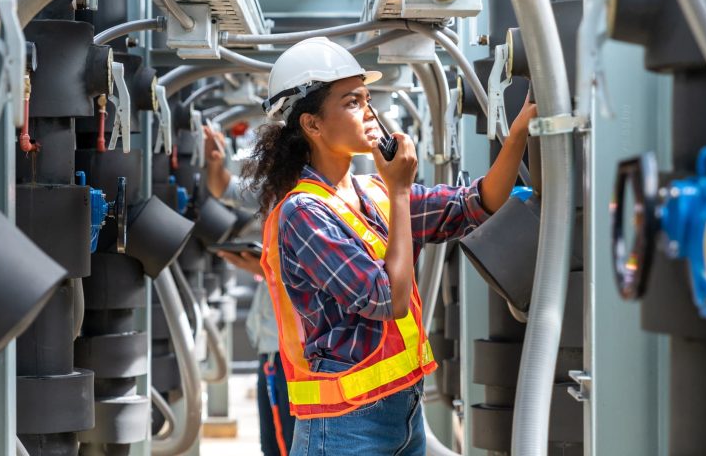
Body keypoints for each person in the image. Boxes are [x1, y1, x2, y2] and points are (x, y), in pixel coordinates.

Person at [243, 37, 536, 456]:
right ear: (312, 125)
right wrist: (400, 190)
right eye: (352, 102)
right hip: (345, 430)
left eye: (367, 99)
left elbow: (477, 203)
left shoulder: (373, 192)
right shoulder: (303, 213)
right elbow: (387, 300)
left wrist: (519, 131)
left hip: (404, 413)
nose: (369, 112)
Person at [203, 125, 295, 456]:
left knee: (285, 445)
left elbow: (315, 277)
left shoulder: (312, 201)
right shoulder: (276, 192)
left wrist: (263, 269)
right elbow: (223, 187)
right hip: (273, 347)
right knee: (276, 444)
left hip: (290, 350)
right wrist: (215, 163)